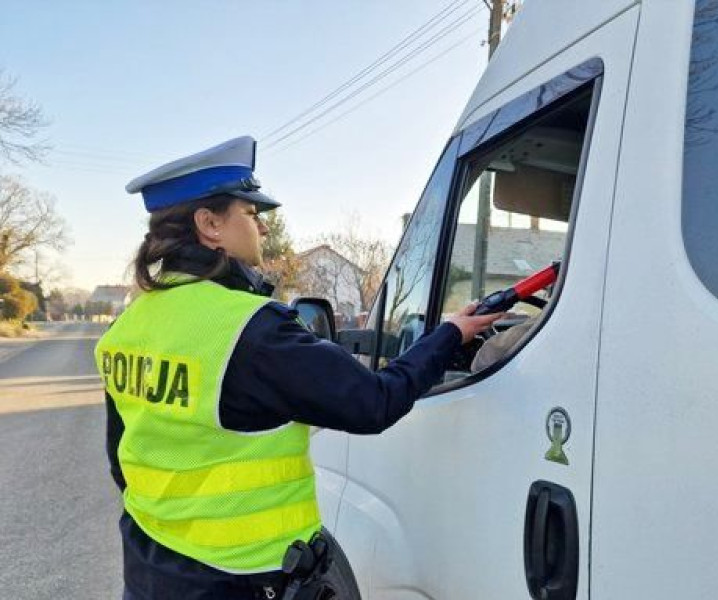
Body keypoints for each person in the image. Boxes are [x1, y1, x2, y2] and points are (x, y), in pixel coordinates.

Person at [95, 136, 501, 600]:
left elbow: (124, 459)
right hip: (240, 581)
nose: (263, 230)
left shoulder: (127, 327)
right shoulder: (248, 330)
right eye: (251, 214)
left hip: (150, 569)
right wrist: (450, 334)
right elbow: (374, 400)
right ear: (210, 225)